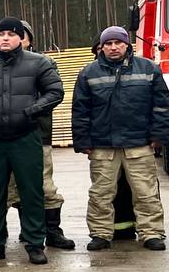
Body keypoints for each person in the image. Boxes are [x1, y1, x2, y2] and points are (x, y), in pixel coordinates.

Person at [0, 17, 64, 264]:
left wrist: (31, 111)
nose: (5, 38)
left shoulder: (39, 64)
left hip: (25, 138)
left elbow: (55, 92)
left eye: (11, 34)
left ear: (21, 38)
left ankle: (34, 243)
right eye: (1, 34)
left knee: (31, 193)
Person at [71, 25, 169, 251]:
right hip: (103, 146)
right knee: (101, 194)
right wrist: (82, 141)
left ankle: (151, 233)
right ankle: (100, 234)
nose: (113, 47)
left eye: (118, 43)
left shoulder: (149, 69)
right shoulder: (88, 72)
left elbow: (162, 107)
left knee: (146, 192)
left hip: (139, 144)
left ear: (127, 45)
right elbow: (80, 110)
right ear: (101, 47)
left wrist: (158, 137)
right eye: (108, 43)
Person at [8, 21, 76, 250]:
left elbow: (53, 94)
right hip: (7, 137)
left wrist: (28, 111)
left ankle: (53, 231)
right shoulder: (0, 64)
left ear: (28, 39)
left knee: (45, 186)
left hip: (38, 134)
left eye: (21, 35)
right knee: (16, 188)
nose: (15, 38)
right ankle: (29, 230)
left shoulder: (44, 64)